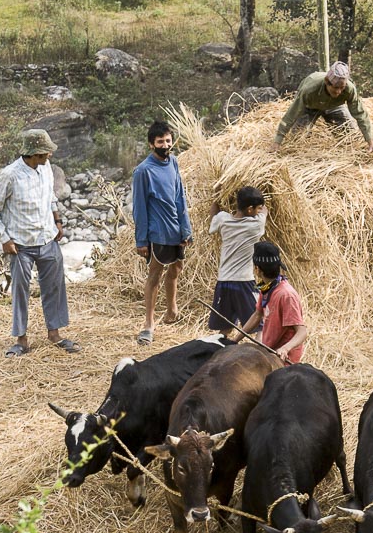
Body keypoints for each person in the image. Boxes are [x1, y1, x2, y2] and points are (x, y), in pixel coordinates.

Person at [0, 128, 80, 357]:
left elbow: (51, 198)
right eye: (46, 152)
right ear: (34, 153)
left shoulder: (45, 169)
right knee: (20, 291)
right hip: (21, 244)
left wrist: (58, 221)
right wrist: (4, 239)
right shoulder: (10, 175)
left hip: (47, 238)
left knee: (54, 287)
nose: (50, 156)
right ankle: (21, 340)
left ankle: (54, 334)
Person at [131, 120, 193, 345]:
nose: (165, 145)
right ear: (151, 144)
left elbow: (180, 197)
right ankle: (148, 324)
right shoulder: (143, 171)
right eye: (160, 141)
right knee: (155, 274)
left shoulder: (174, 162)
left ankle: (172, 311)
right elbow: (139, 207)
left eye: (168, 140)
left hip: (176, 229)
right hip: (158, 232)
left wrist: (186, 229)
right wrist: (142, 240)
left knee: (176, 268)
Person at [273, 61, 373, 160]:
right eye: (335, 87)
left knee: (350, 139)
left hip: (334, 106)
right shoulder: (309, 90)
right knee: (297, 140)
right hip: (310, 107)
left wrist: (371, 143)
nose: (338, 92)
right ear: (327, 82)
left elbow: (361, 114)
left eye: (342, 88)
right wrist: (277, 142)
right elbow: (291, 114)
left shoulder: (349, 89)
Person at [227, 242, 307, 363]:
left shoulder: (286, 295)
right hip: (268, 350)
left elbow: (302, 331)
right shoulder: (266, 288)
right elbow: (257, 314)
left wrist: (285, 348)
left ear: (257, 269)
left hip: (282, 358)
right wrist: (235, 340)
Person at [207, 185, 267, 333]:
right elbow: (266, 210)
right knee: (260, 326)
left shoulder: (223, 220)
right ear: (249, 209)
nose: (259, 211)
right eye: (257, 208)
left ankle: (220, 352)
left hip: (224, 281)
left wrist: (216, 198)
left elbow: (213, 217)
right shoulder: (256, 225)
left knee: (225, 327)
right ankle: (262, 353)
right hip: (244, 282)